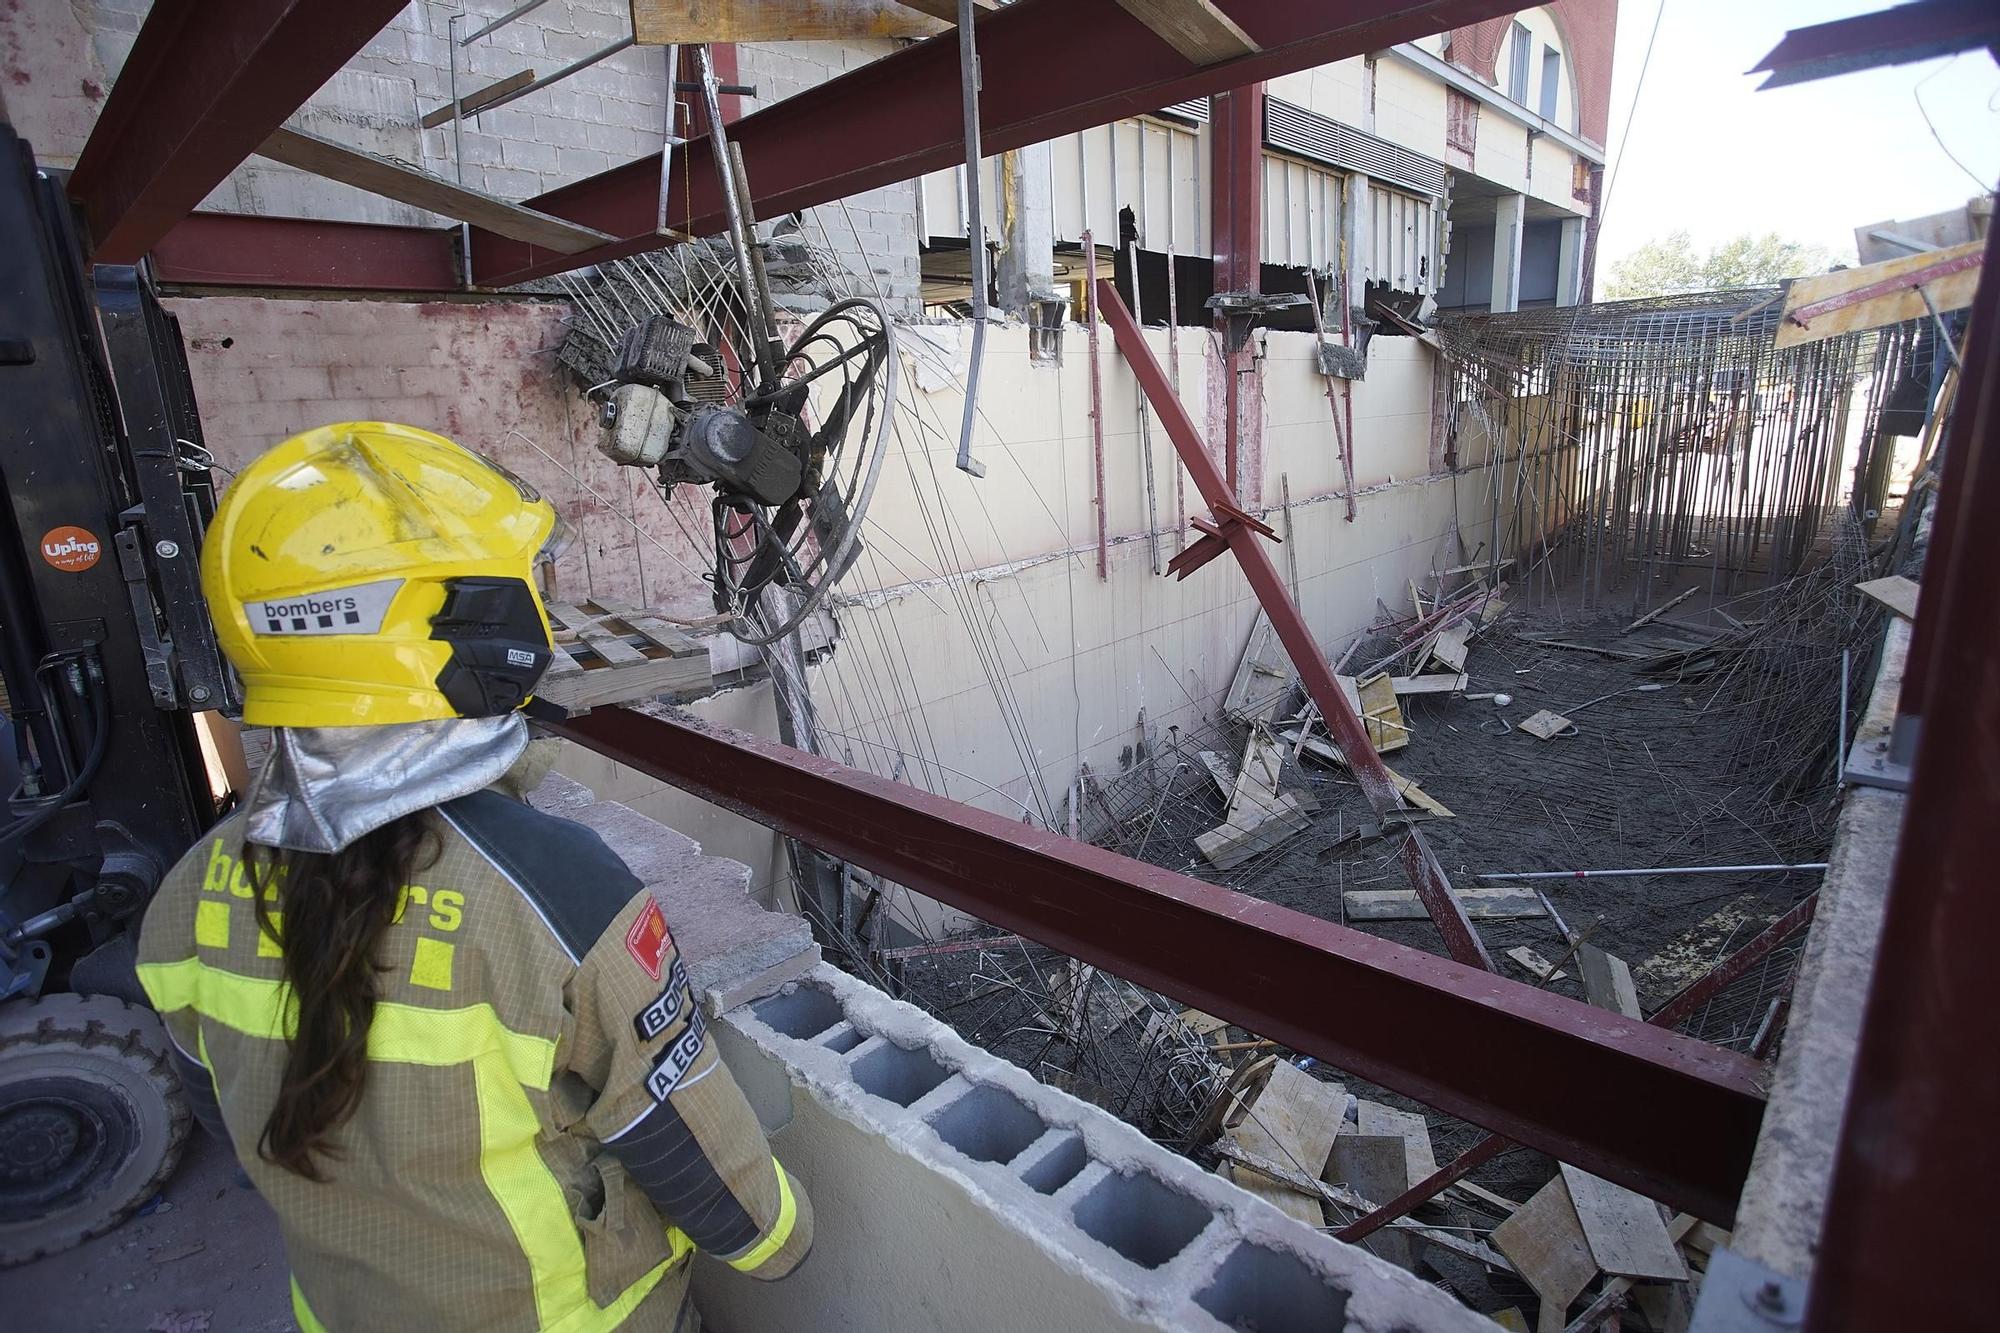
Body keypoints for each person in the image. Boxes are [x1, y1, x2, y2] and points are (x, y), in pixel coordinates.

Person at [135, 422, 810, 1332]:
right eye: (517, 586)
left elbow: (233, 1121)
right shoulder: (556, 893)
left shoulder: (186, 892)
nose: (537, 611)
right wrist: (789, 1243)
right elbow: (693, 1156)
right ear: (441, 624)